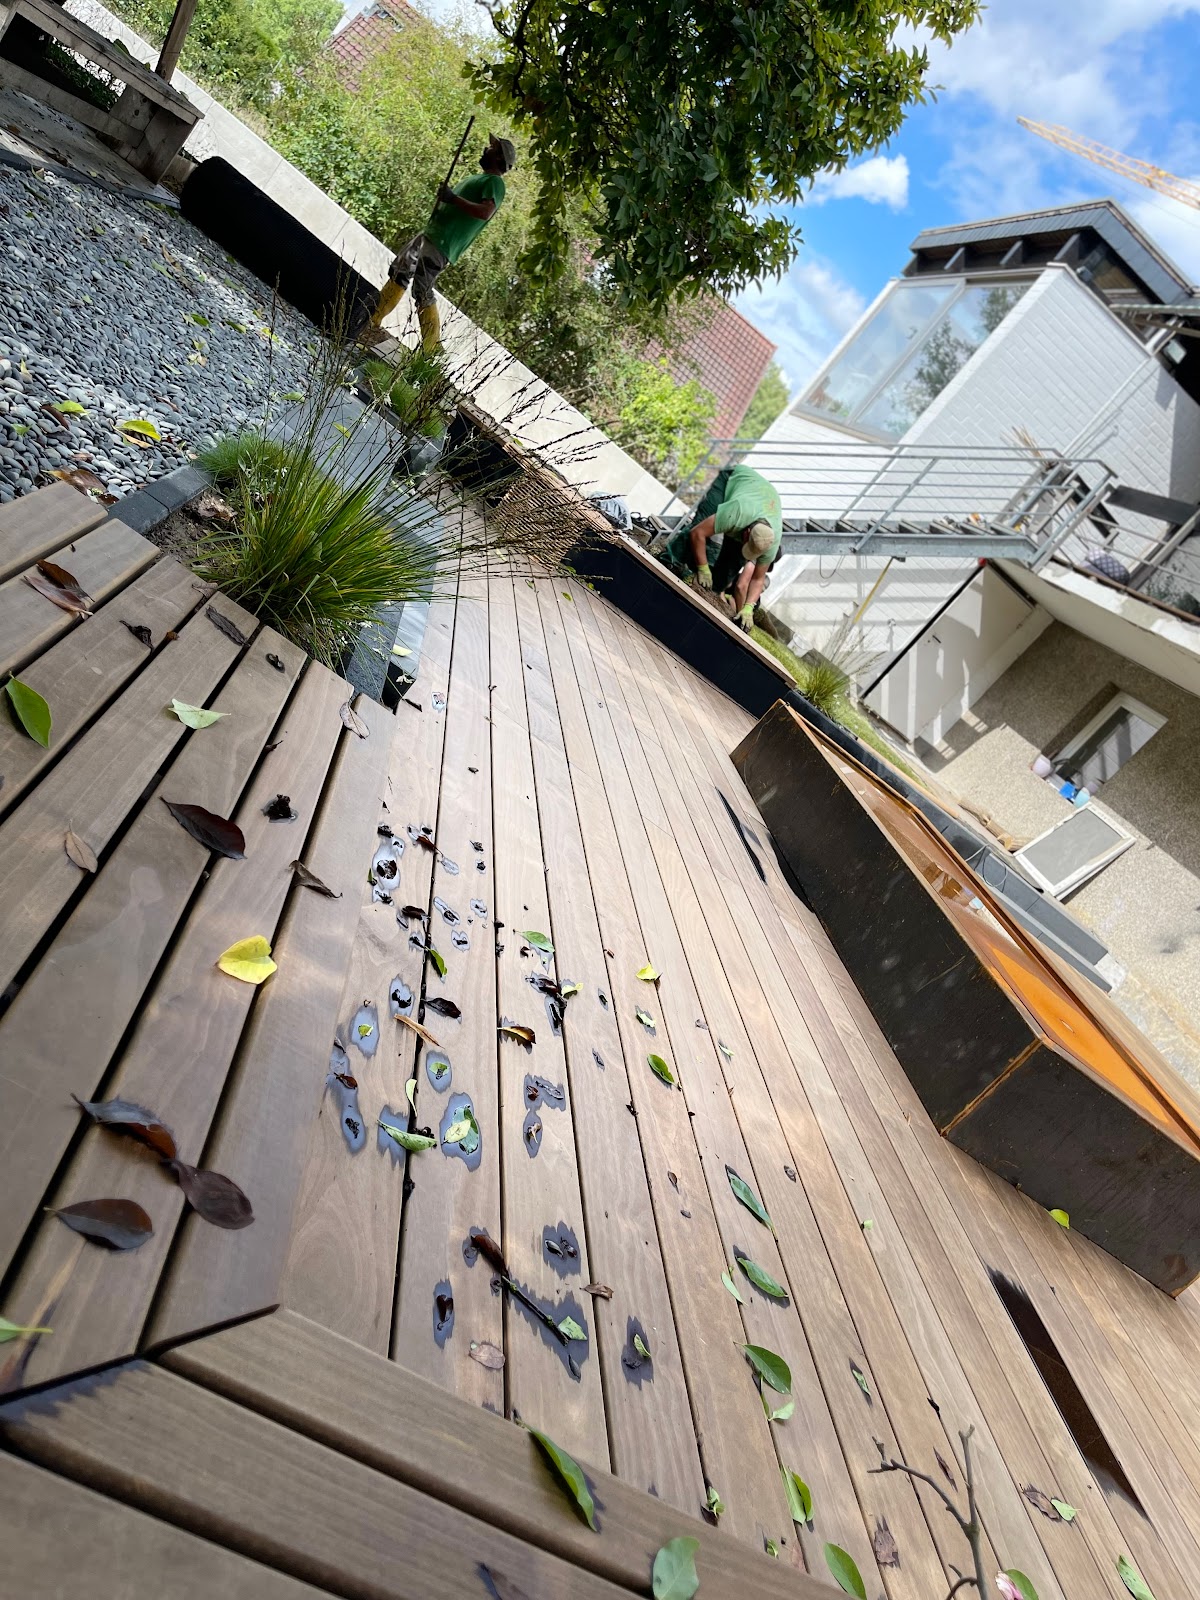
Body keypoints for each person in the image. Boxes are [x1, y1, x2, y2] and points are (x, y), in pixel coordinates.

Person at [368, 133, 516, 347]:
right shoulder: (479, 179)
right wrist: (447, 199)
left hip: (442, 243)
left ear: (500, 157)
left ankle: (431, 350)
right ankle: (372, 320)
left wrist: (452, 198)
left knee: (422, 289)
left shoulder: (495, 183)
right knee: (400, 271)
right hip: (431, 234)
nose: (487, 149)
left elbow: (485, 212)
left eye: (492, 148)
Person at [661, 464, 783, 631]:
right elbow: (698, 533)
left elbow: (757, 579)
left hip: (761, 499)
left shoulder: (771, 543)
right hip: (733, 480)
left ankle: (706, 595)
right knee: (700, 523)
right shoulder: (738, 512)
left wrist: (748, 608)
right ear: (746, 533)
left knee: (732, 563)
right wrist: (703, 568)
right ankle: (669, 562)